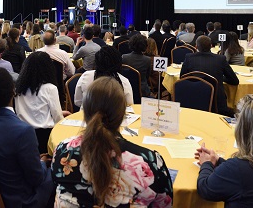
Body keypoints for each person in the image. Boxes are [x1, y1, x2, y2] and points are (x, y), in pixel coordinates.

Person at [52, 77, 173, 207]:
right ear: (122, 115)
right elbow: (165, 203)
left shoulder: (63, 151)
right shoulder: (150, 163)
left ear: (85, 112)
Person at [0, 67, 54, 207]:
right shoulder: (23, 131)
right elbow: (36, 179)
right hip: (20, 200)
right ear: (13, 91)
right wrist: (43, 163)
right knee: (58, 170)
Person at [15, 51, 65, 153]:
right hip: (45, 136)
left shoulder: (18, 88)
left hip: (22, 134)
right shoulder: (50, 88)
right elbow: (57, 117)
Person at [180, 35, 239, 116]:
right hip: (216, 103)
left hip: (192, 100)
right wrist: (220, 78)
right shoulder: (220, 59)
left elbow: (182, 78)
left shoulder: (189, 57)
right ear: (211, 46)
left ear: (196, 46)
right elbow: (234, 81)